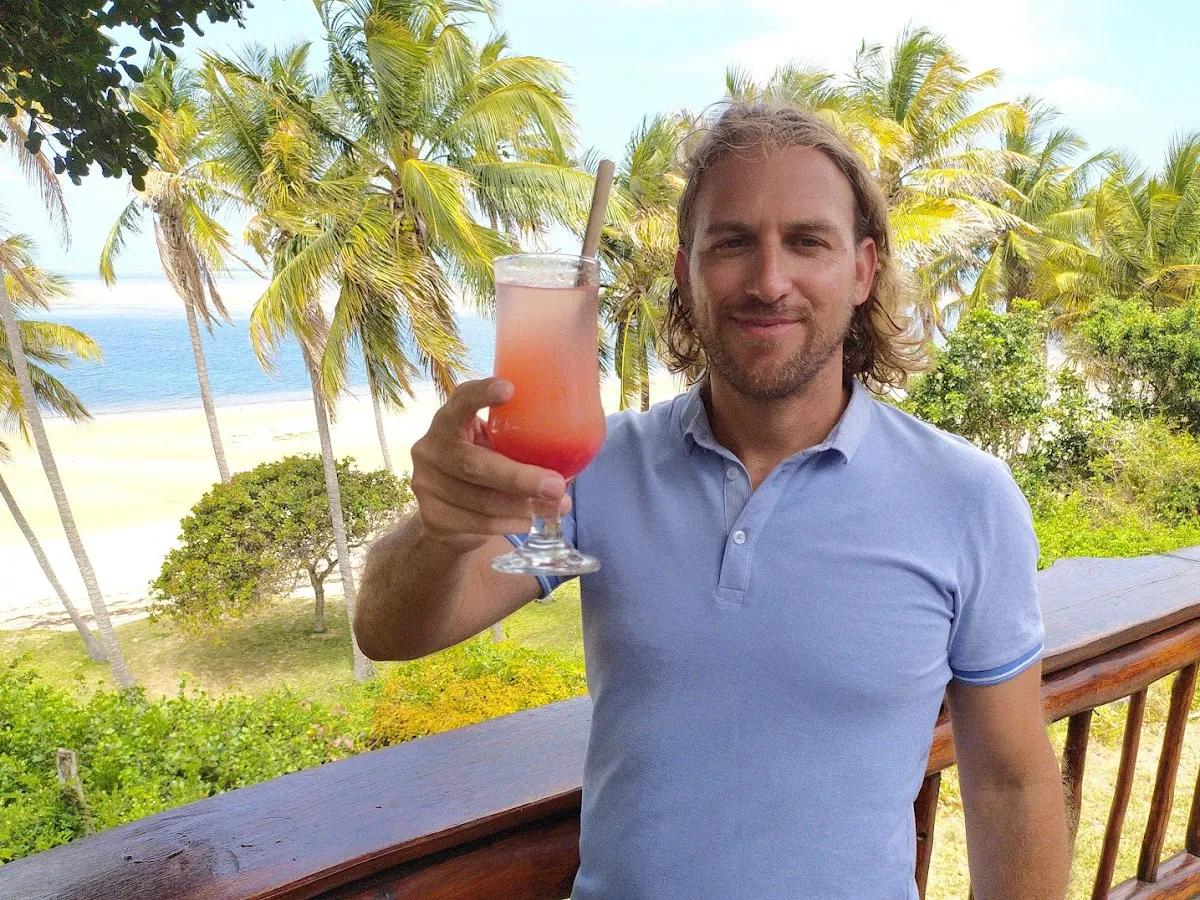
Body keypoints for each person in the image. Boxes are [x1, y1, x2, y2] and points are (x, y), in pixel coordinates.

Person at [355, 103, 1070, 899]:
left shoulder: (966, 498)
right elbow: (389, 632)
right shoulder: (591, 469)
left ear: (863, 271)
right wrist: (442, 530)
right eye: (731, 243)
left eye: (807, 241)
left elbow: (1011, 783)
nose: (769, 281)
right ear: (684, 271)